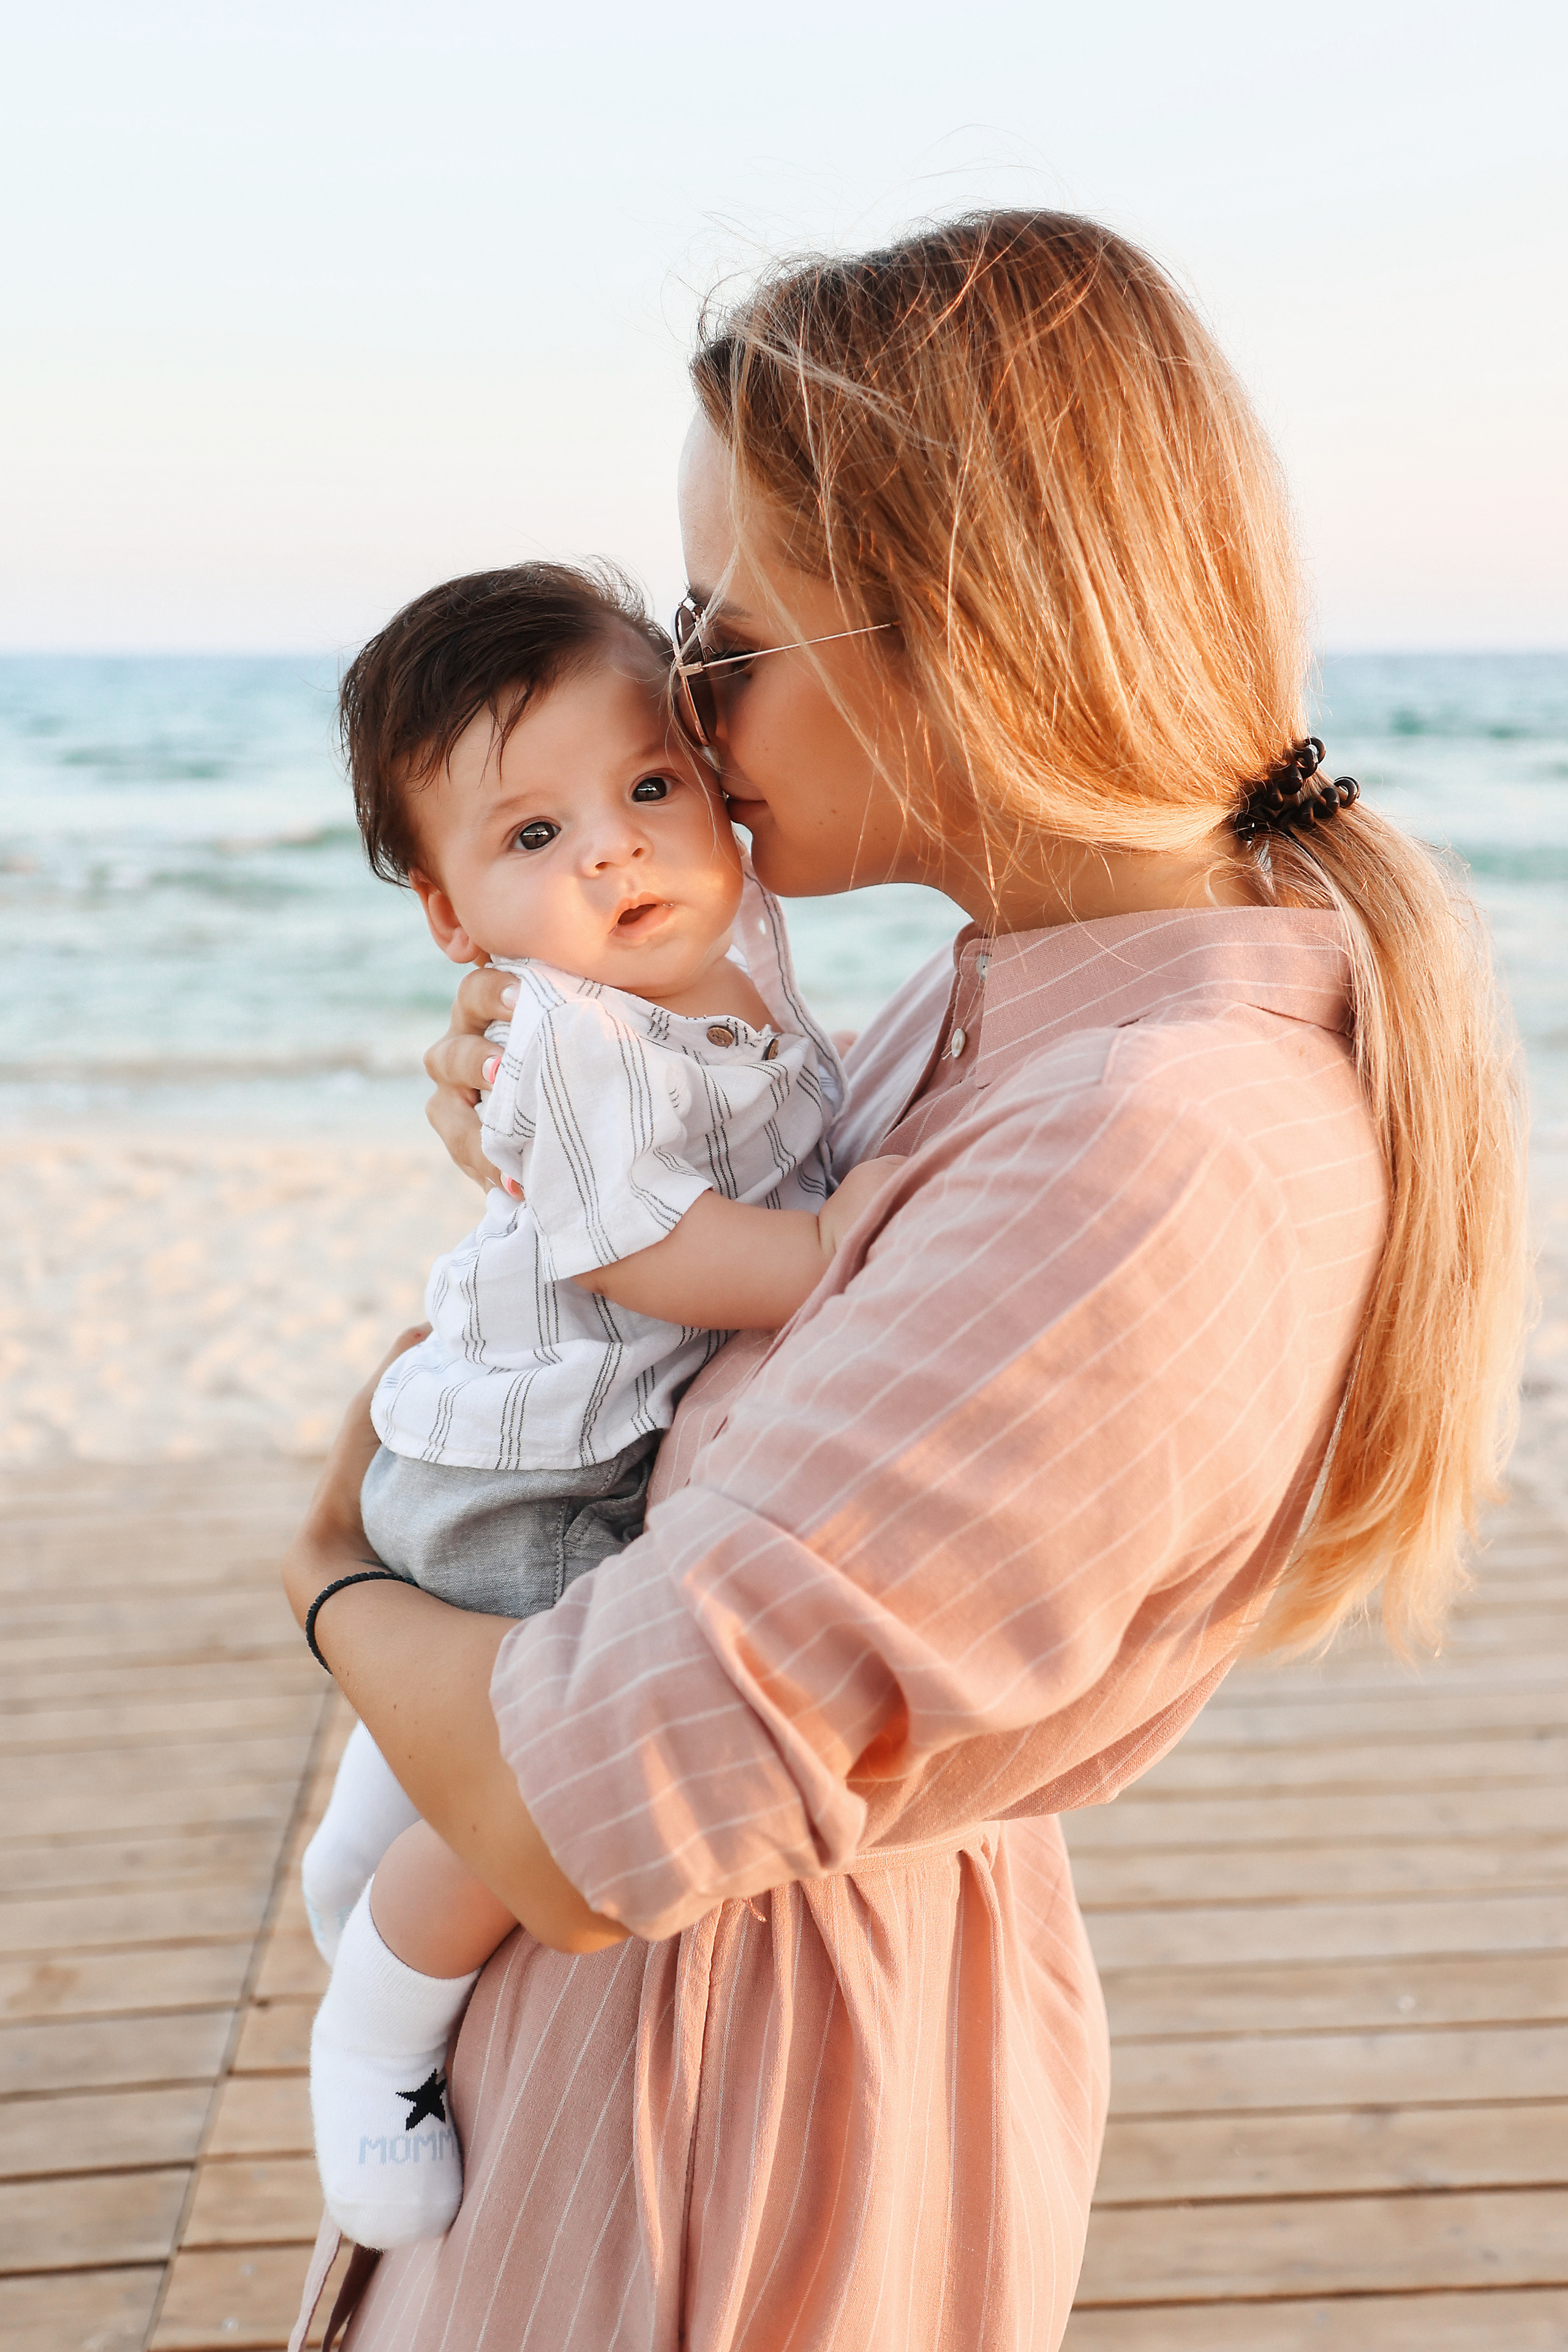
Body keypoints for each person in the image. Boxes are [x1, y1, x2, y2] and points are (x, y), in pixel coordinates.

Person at [284, 211, 1526, 2352]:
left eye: (723, 636)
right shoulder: (1001, 1009)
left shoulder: (1144, 1142)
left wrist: (327, 1568)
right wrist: (563, 1091)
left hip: (714, 2127)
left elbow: (584, 1811)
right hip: (648, 2063)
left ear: (953, 634)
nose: (680, 706)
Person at [296, 560, 895, 2248]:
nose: (619, 853)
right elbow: (647, 1247)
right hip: (534, 1478)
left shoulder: (725, 946)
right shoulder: (565, 1033)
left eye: (649, 789)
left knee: (442, 1730)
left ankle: (360, 1837)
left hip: (506, 1439)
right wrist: (833, 1252)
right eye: (536, 835)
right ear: (453, 918)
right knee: (538, 1773)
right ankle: (379, 2025)